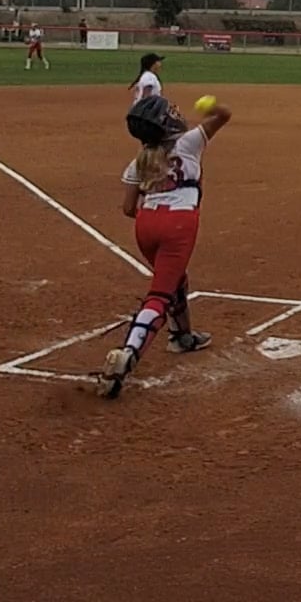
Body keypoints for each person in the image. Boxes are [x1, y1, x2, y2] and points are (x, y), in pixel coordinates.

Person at [99, 95, 232, 398]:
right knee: (160, 295)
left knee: (175, 281)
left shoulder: (138, 162)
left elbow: (128, 208)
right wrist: (210, 106)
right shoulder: (188, 143)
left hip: (145, 226)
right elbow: (224, 114)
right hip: (179, 225)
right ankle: (127, 354)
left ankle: (182, 337)